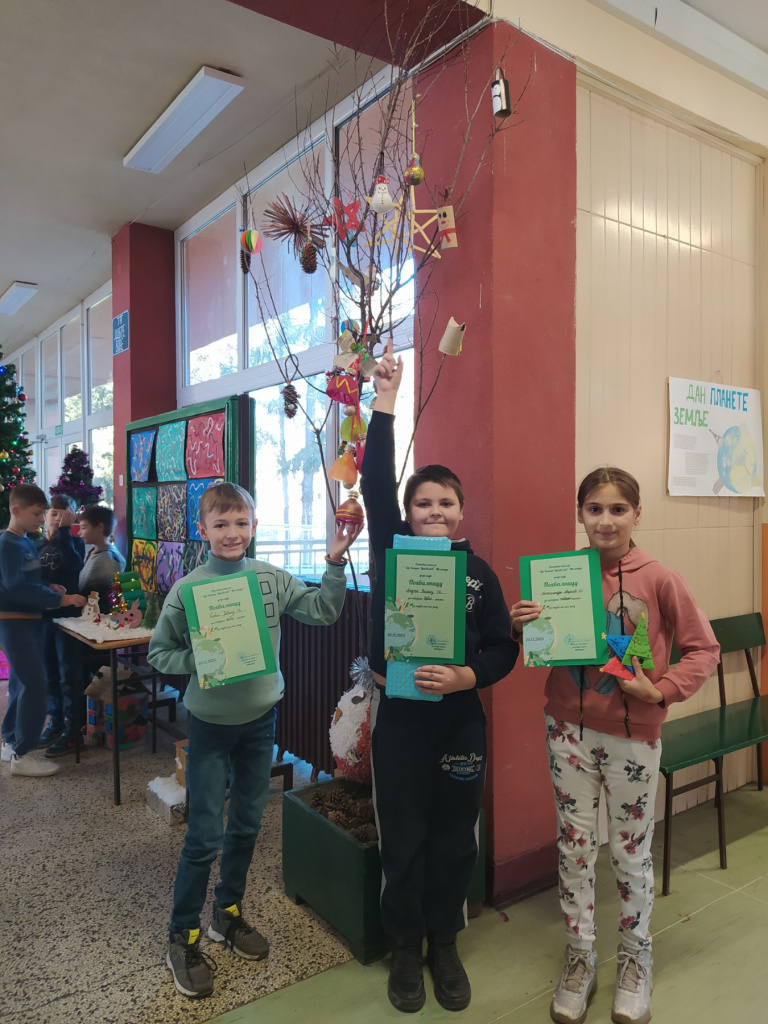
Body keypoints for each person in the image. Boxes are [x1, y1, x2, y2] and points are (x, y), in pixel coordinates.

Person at [510, 467, 719, 1024]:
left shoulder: (661, 578)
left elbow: (704, 649)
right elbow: (543, 644)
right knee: (575, 848)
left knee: (630, 852)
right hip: (566, 732)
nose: (605, 520)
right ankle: (580, 956)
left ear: (637, 514)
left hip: (633, 738)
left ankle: (635, 957)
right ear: (580, 514)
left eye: (618, 509)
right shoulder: (559, 575)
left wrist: (662, 689)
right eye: (594, 509)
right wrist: (521, 627)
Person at [148, 481, 362, 999]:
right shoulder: (188, 589)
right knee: (204, 836)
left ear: (254, 526)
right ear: (202, 530)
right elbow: (159, 652)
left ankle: (227, 914)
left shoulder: (270, 578)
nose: (232, 533)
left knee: (246, 826)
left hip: (261, 722)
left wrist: (335, 561)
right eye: (221, 524)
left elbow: (323, 610)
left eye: (241, 523)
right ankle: (183, 935)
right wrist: (197, 659)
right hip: (210, 726)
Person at [361, 344, 518, 1014]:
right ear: (408, 512)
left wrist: (467, 677)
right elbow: (374, 485)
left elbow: (503, 649)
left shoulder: (479, 575)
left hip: (458, 721)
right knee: (402, 836)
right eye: (421, 502)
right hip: (400, 719)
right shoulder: (390, 553)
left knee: (454, 836)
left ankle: (444, 941)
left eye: (445, 502)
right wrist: (385, 401)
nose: (433, 510)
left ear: (460, 510)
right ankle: (405, 946)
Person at [0, 484, 86, 777]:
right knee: (34, 686)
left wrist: (49, 586)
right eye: (38, 514)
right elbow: (17, 588)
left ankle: (10, 740)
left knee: (20, 683)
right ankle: (23, 754)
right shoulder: (8, 544)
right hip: (15, 622)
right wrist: (62, 599)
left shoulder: (24, 542)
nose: (42, 519)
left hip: (28, 621)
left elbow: (27, 581)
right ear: (16, 511)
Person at [37, 495, 86, 755]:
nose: (57, 519)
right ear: (45, 515)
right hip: (44, 617)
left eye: (64, 515)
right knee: (50, 673)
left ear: (72, 517)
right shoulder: (36, 545)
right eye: (53, 513)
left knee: (69, 675)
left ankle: (73, 730)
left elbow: (74, 566)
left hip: (68, 619)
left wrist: (65, 532)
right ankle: (55, 722)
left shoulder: (75, 542)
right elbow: (30, 578)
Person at [78, 504, 125, 611]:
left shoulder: (107, 558)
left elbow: (110, 596)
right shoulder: (94, 552)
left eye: (84, 528)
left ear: (99, 527)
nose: (79, 532)